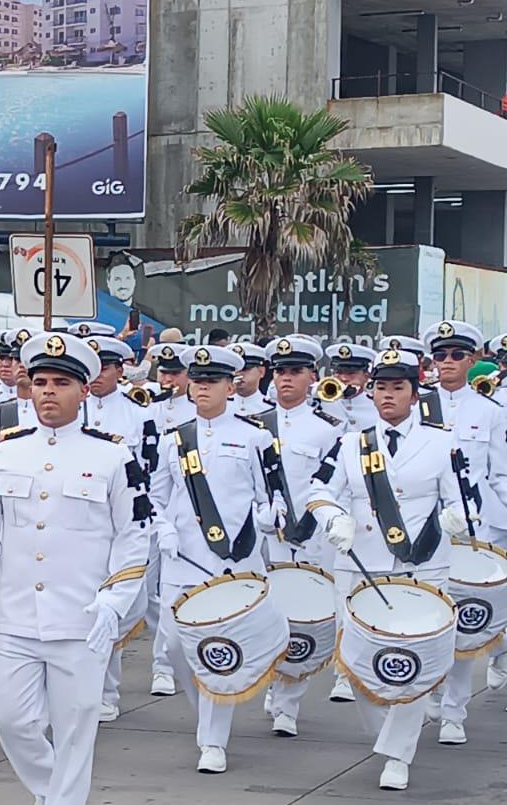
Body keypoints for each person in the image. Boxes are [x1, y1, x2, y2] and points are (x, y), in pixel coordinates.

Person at [0, 332, 151, 805]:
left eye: (61, 383)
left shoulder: (112, 456)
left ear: (83, 391)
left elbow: (134, 537)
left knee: (76, 728)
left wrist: (114, 601)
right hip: (14, 615)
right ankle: (49, 793)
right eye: (39, 382)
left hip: (81, 618)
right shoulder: (5, 452)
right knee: (10, 719)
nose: (47, 392)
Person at [307, 348, 469, 790]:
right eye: (381, 388)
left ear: (415, 395)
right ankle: (386, 735)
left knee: (410, 657)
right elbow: (319, 491)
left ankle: (398, 754)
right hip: (361, 565)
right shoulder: (350, 444)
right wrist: (333, 518)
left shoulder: (441, 442)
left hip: (422, 565)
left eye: (398, 388)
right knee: (360, 662)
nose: (388, 396)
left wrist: (456, 517)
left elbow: (462, 495)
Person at [150, 344, 283, 775]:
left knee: (218, 647)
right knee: (174, 645)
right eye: (197, 381)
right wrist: (164, 530)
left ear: (231, 386)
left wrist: (269, 517)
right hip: (183, 560)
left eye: (212, 381)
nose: (202, 388)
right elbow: (155, 497)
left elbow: (272, 495)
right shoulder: (173, 440)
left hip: (233, 559)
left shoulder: (255, 436)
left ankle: (212, 738)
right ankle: (205, 713)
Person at [420, 320, 507, 742]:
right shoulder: (418, 407)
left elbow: (500, 475)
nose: (448, 362)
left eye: (457, 355)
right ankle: (433, 690)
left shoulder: (490, 411)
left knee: (466, 622)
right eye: (440, 355)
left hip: (474, 531)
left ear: (472, 360)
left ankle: (454, 711)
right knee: (426, 617)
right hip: (424, 530)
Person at [255, 335, 343, 737]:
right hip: (263, 538)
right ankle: (271, 677)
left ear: (312, 377)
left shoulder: (328, 430)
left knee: (301, 618)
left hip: (308, 537)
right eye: (280, 372)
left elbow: (333, 486)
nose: (285, 379)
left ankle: (288, 701)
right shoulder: (255, 425)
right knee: (267, 615)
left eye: (295, 371)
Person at [77, 332, 159, 723]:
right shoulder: (73, 408)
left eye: (105, 368)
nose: (97, 376)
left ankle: (107, 691)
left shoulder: (138, 414)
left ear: (119, 370)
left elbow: (148, 470)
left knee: (113, 605)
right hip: (77, 518)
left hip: (118, 518)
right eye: (91, 368)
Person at [323, 341, 377, 429]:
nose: (344, 378)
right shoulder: (320, 402)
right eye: (338, 372)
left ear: (366, 375)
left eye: (351, 373)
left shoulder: (377, 404)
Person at [230, 342, 271, 415]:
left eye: (245, 369)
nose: (238, 374)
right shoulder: (219, 406)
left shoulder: (270, 408)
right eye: (235, 369)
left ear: (261, 371)